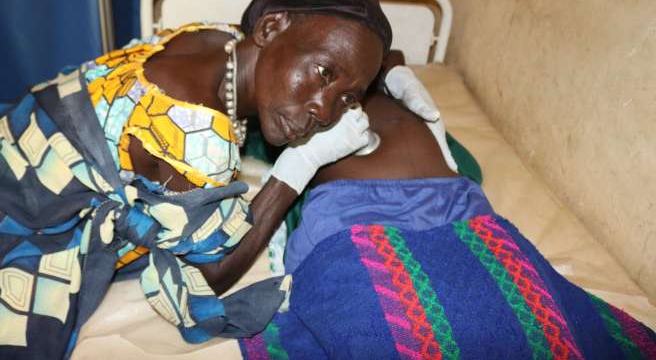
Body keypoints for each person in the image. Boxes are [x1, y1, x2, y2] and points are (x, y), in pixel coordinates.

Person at [0, 0, 448, 358]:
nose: (324, 112)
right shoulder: (197, 132)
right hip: (21, 204)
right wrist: (300, 165)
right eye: (323, 73)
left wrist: (392, 71)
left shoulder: (215, 37)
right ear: (271, 28)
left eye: (347, 97)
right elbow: (212, 274)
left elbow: (345, 52)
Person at [240, 91, 656, 360]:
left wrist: (429, 123)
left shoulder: (404, 105)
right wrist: (301, 163)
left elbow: (467, 167)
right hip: (363, 213)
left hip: (455, 208)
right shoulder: (298, 106)